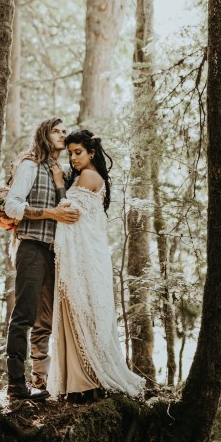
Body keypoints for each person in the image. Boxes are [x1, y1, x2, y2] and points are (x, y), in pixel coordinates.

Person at [47, 128, 144, 402]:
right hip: (84, 254)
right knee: (79, 307)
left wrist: (57, 181)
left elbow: (69, 211)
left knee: (80, 306)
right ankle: (77, 379)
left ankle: (84, 380)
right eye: (70, 154)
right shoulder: (84, 176)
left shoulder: (89, 176)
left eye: (78, 153)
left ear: (91, 153)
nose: (74, 158)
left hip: (84, 257)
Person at [3, 117, 80, 401]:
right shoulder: (30, 164)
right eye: (56, 130)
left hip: (54, 253)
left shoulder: (60, 171)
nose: (62, 134)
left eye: (64, 131)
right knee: (23, 315)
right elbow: (13, 206)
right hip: (31, 247)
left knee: (46, 320)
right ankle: (15, 384)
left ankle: (42, 380)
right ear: (44, 135)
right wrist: (51, 214)